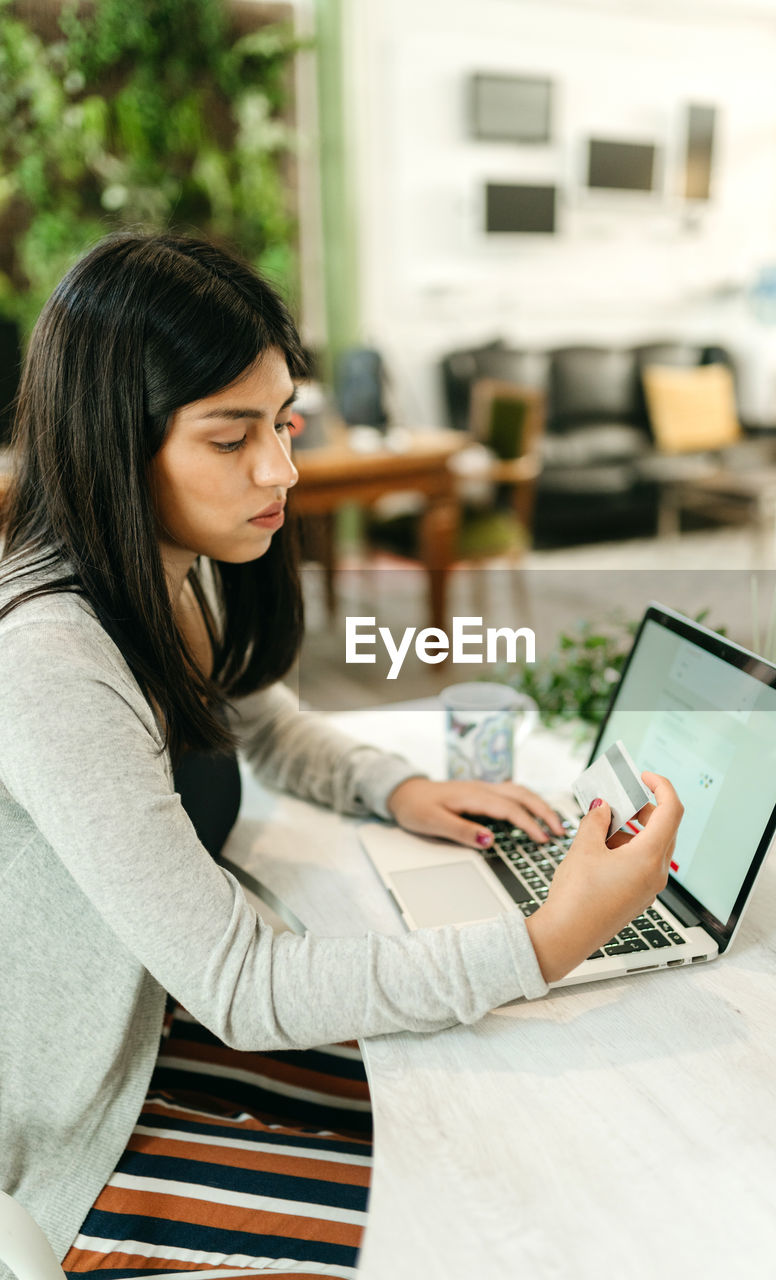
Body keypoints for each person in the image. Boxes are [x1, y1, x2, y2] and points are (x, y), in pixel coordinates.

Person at [0, 233, 682, 1280]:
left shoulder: (167, 563)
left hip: (160, 1026)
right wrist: (549, 938)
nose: (282, 469)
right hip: (94, 1122)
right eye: (231, 439)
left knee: (502, 1135)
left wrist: (396, 786)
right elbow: (243, 979)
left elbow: (256, 716)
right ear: (111, 443)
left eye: (283, 424)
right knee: (475, 1218)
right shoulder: (50, 658)